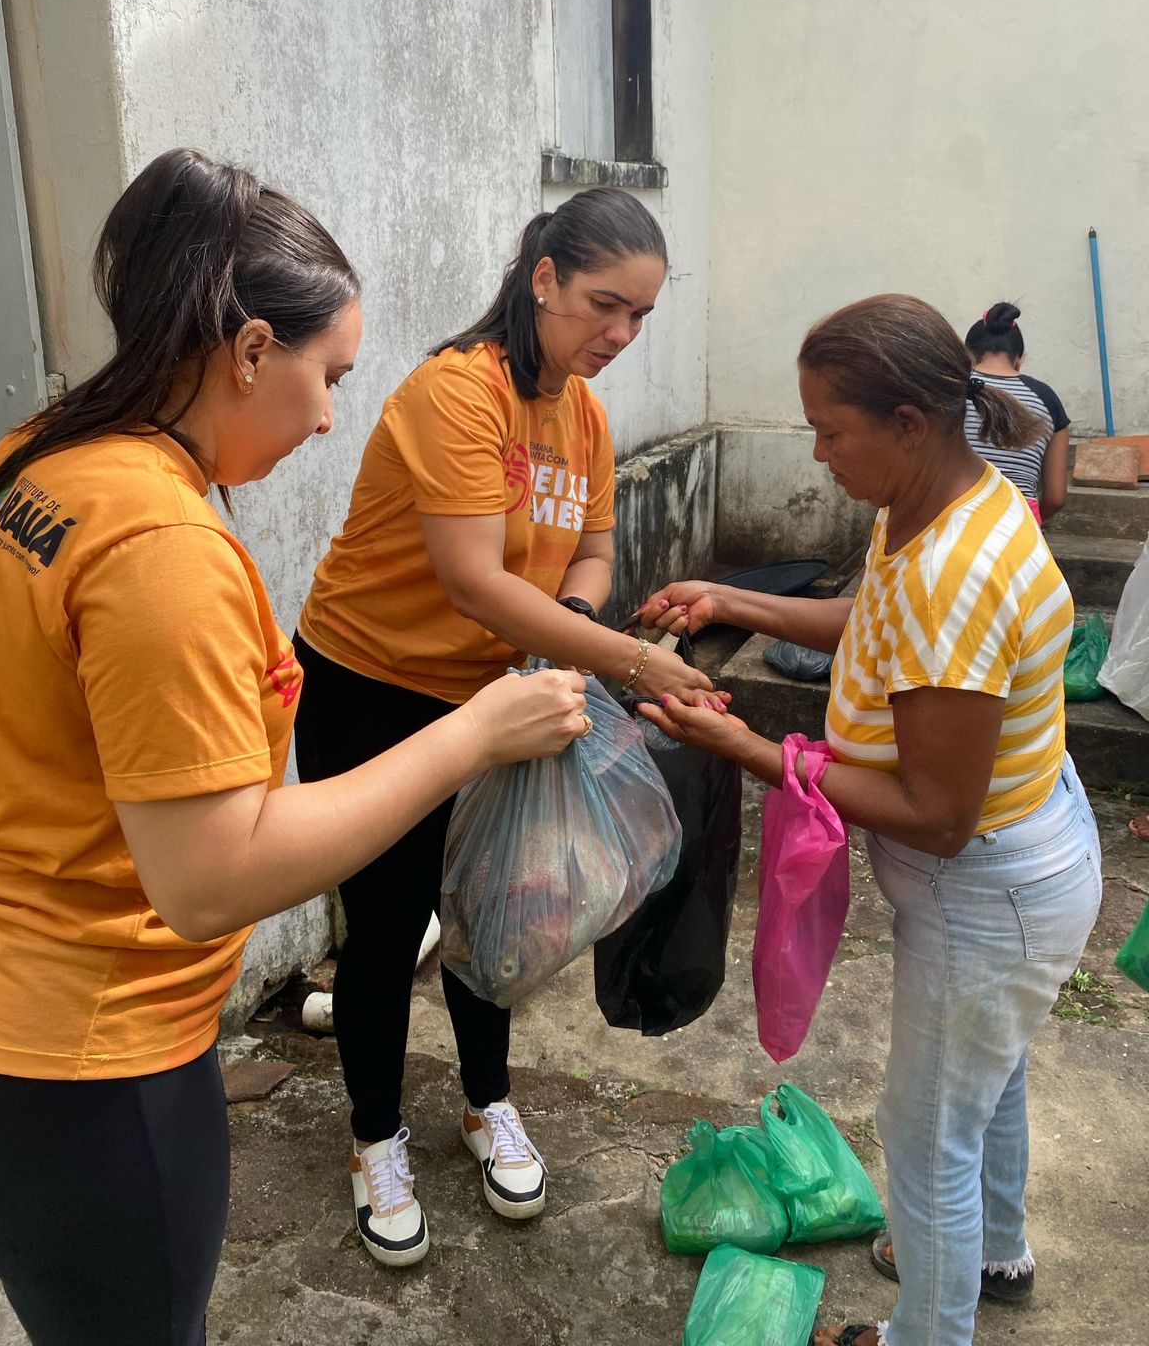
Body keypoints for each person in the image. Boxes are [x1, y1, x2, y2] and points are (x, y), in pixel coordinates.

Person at [0, 148, 590, 1346]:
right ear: (250, 350)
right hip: (87, 1061)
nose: (333, 414)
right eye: (328, 375)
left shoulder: (29, 461)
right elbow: (209, 878)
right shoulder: (161, 549)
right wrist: (472, 734)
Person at [638, 294, 1102, 1346]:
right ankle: (992, 1250)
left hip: (987, 887)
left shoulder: (953, 571)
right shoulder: (941, 503)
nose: (817, 453)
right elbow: (875, 621)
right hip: (1030, 856)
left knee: (926, 1136)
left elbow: (937, 814)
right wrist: (734, 599)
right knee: (987, 1078)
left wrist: (753, 750)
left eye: (830, 431)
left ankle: (926, 1332)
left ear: (907, 423)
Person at [293, 187, 715, 1265]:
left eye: (641, 316)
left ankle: (487, 1102)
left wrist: (569, 622)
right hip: (374, 683)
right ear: (544, 279)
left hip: (498, 689)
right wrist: (624, 658)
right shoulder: (458, 392)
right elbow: (475, 581)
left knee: (497, 904)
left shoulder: (585, 414)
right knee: (388, 923)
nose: (620, 334)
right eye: (605, 305)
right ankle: (375, 1137)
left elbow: (593, 555)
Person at [964, 300, 1070, 523]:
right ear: (1019, 359)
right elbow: (1055, 497)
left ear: (967, 355)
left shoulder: (951, 389)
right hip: (1019, 521)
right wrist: (1030, 521)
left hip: (957, 516)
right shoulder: (1046, 399)